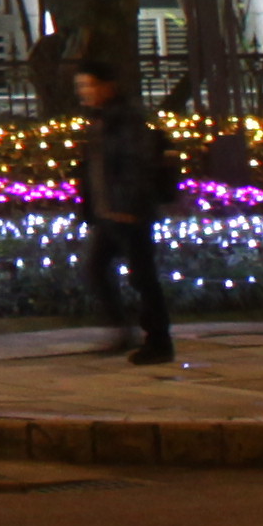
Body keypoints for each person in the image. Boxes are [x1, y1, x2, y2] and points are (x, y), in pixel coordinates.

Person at [70, 53, 183, 363]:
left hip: (129, 213)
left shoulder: (126, 120)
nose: (84, 92)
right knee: (96, 269)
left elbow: (137, 165)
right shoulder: (102, 119)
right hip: (108, 214)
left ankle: (159, 342)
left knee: (143, 277)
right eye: (81, 86)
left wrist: (128, 206)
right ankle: (124, 331)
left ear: (108, 86)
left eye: (89, 85)